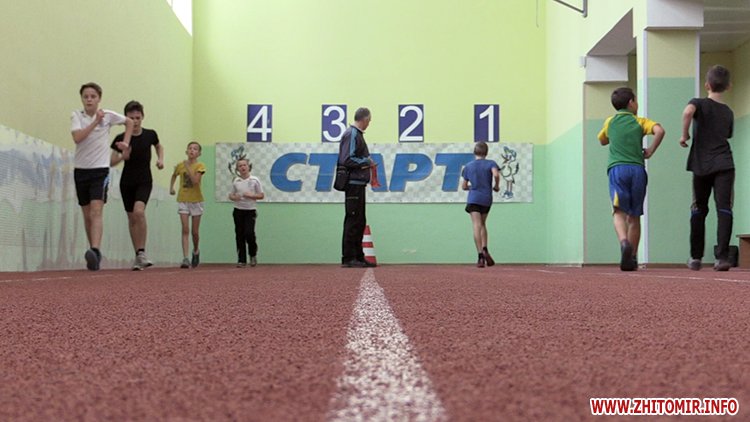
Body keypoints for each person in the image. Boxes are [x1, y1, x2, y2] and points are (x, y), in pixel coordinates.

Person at [598, 87, 665, 271]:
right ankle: (632, 258)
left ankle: (623, 242)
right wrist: (650, 150)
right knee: (634, 216)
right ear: (631, 103)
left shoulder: (610, 122)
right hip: (637, 170)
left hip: (617, 169)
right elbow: (660, 131)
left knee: (618, 211)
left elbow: (602, 140)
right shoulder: (640, 121)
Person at [70, 82, 134, 271]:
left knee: (96, 210)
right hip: (81, 170)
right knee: (87, 214)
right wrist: (95, 122)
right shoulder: (77, 116)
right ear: (82, 99)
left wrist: (125, 143)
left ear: (99, 98)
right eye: (86, 96)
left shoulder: (107, 115)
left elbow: (129, 122)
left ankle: (95, 250)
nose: (89, 99)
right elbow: (77, 138)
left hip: (100, 170)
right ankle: (93, 251)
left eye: (93, 96)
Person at [680, 65, 735, 271]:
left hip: (701, 163)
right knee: (724, 208)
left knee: (699, 208)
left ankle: (696, 257)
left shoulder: (698, 103)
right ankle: (722, 258)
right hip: (724, 163)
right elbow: (728, 134)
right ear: (728, 87)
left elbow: (687, 112)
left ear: (707, 85)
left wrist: (684, 134)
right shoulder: (728, 112)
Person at [111, 100, 165, 270]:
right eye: (131, 118)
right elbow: (111, 161)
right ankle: (138, 255)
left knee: (139, 212)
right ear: (125, 119)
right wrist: (123, 157)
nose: (135, 121)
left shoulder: (150, 134)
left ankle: (142, 252)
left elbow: (159, 146)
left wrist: (160, 159)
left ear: (142, 117)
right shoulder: (120, 139)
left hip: (144, 180)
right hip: (127, 182)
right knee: (132, 218)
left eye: (137, 118)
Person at [338, 107, 376, 268]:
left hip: (359, 184)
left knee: (360, 220)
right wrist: (367, 162)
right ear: (365, 119)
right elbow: (347, 159)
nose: (369, 124)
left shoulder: (356, 134)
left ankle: (359, 256)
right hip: (353, 183)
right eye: (369, 121)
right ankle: (349, 257)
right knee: (353, 219)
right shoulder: (352, 134)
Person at [461, 141, 500, 268]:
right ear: (486, 153)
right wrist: (496, 186)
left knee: (476, 225)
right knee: (483, 224)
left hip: (474, 198)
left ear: (474, 152)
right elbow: (496, 174)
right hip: (486, 198)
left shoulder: (468, 166)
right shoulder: (491, 163)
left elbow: (464, 186)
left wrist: (471, 187)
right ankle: (485, 248)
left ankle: (480, 256)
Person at [170, 141, 206, 268]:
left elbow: (195, 181)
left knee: (194, 232)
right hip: (183, 200)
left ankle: (195, 250)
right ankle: (185, 258)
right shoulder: (180, 165)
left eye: (195, 149)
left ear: (199, 153)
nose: (192, 150)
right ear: (186, 151)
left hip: (196, 200)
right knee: (185, 229)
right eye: (190, 148)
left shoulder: (200, 166)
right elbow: (174, 175)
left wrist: (188, 166)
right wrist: (171, 188)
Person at [228, 158, 264, 267]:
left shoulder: (255, 180)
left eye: (244, 165)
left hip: (250, 211)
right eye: (240, 166)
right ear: (237, 169)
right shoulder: (236, 181)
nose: (243, 167)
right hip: (238, 210)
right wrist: (235, 197)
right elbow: (231, 195)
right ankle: (241, 260)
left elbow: (261, 195)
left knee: (249, 233)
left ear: (249, 167)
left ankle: (253, 254)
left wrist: (251, 195)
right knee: (239, 235)